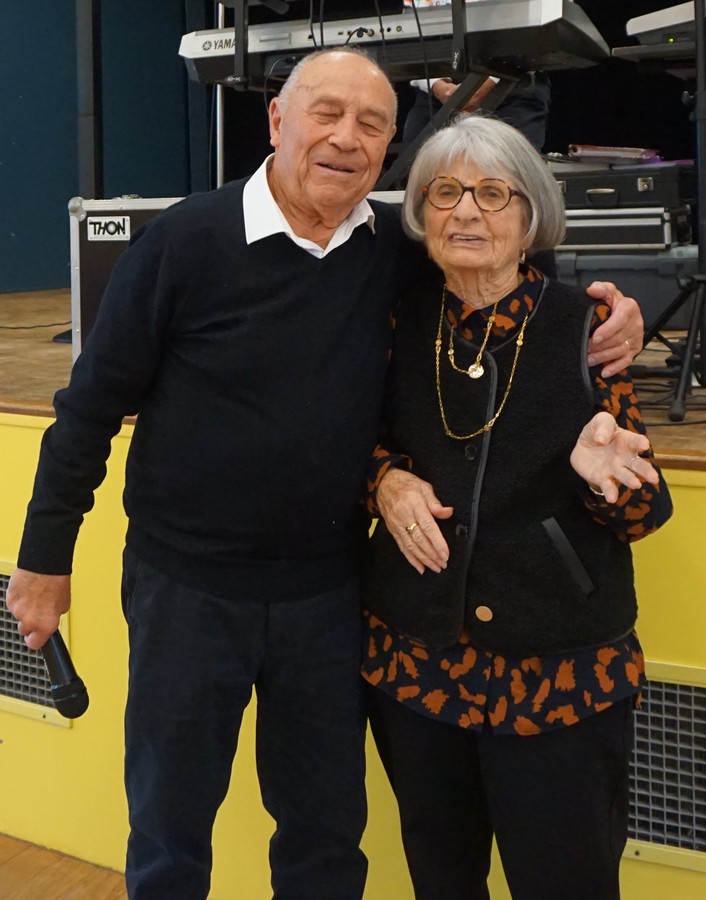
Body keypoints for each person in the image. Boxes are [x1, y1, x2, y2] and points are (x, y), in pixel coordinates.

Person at [5, 49, 641, 899]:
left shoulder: (391, 254)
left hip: (329, 596)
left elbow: (499, 260)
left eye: (372, 124)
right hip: (187, 590)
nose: (347, 138)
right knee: (169, 829)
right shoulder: (184, 242)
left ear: (389, 147)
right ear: (277, 121)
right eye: (327, 113)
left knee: (324, 836)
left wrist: (605, 317)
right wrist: (43, 561)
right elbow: (87, 411)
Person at [361, 114, 673, 900]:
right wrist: (384, 479)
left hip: (558, 680)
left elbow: (644, 514)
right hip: (418, 668)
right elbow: (350, 441)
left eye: (493, 194)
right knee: (441, 878)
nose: (467, 211)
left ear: (531, 217)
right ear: (421, 214)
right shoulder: (399, 320)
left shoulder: (585, 327)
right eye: (445, 193)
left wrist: (601, 476)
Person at [402, 0, 551, 153]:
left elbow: (539, 19)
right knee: (415, 163)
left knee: (512, 162)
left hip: (513, 82)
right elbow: (408, 32)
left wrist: (486, 83)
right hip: (436, 88)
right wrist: (439, 86)